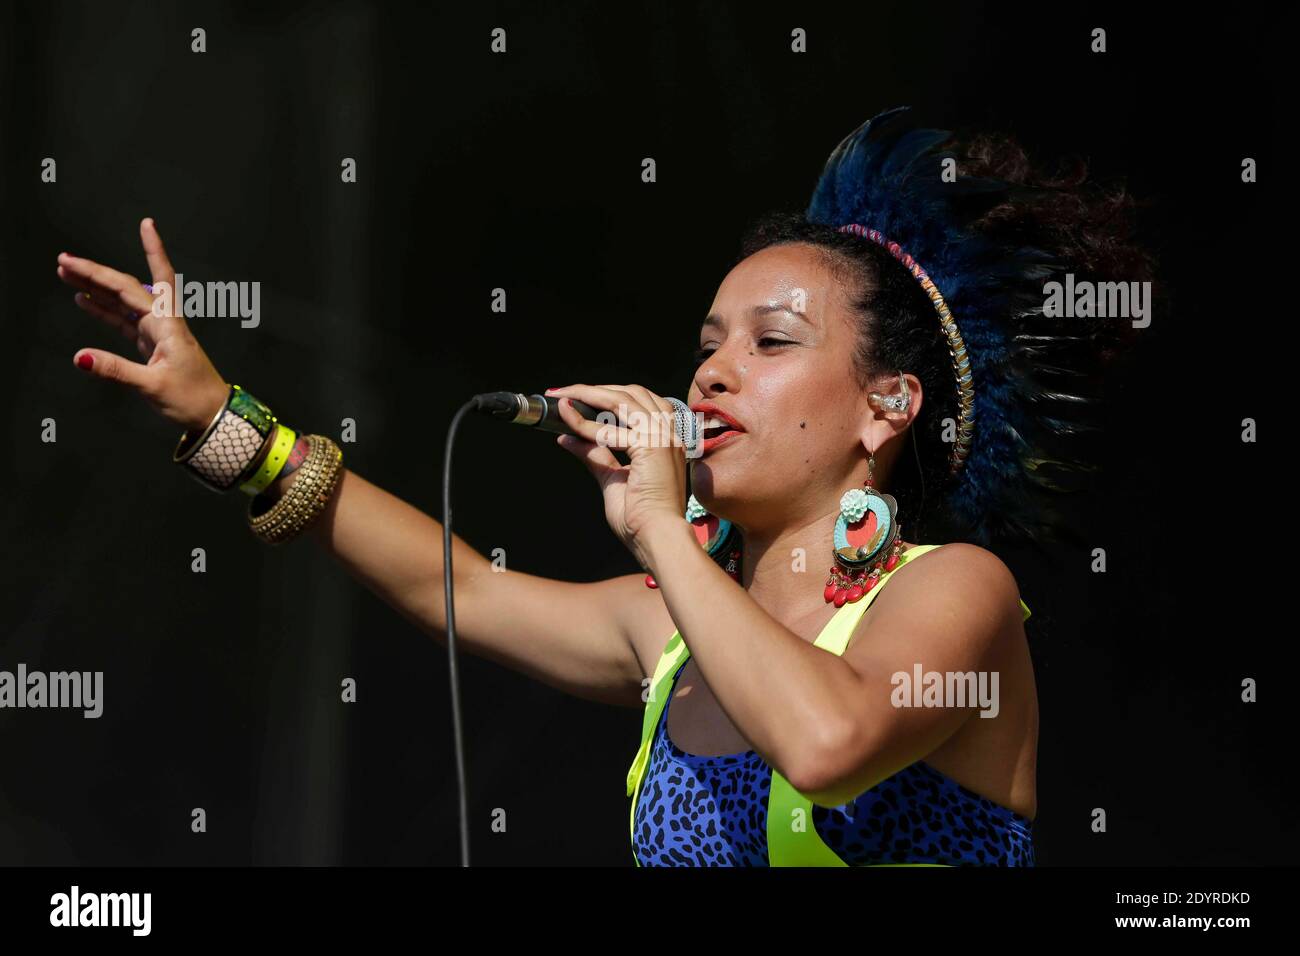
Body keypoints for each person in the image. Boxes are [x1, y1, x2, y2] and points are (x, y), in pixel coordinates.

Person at [56, 107, 1153, 866]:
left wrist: (660, 536)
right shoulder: (673, 626)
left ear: (887, 406)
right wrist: (223, 420)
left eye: (770, 342)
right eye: (707, 344)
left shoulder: (952, 590)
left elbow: (826, 743)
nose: (712, 370)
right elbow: (463, 593)